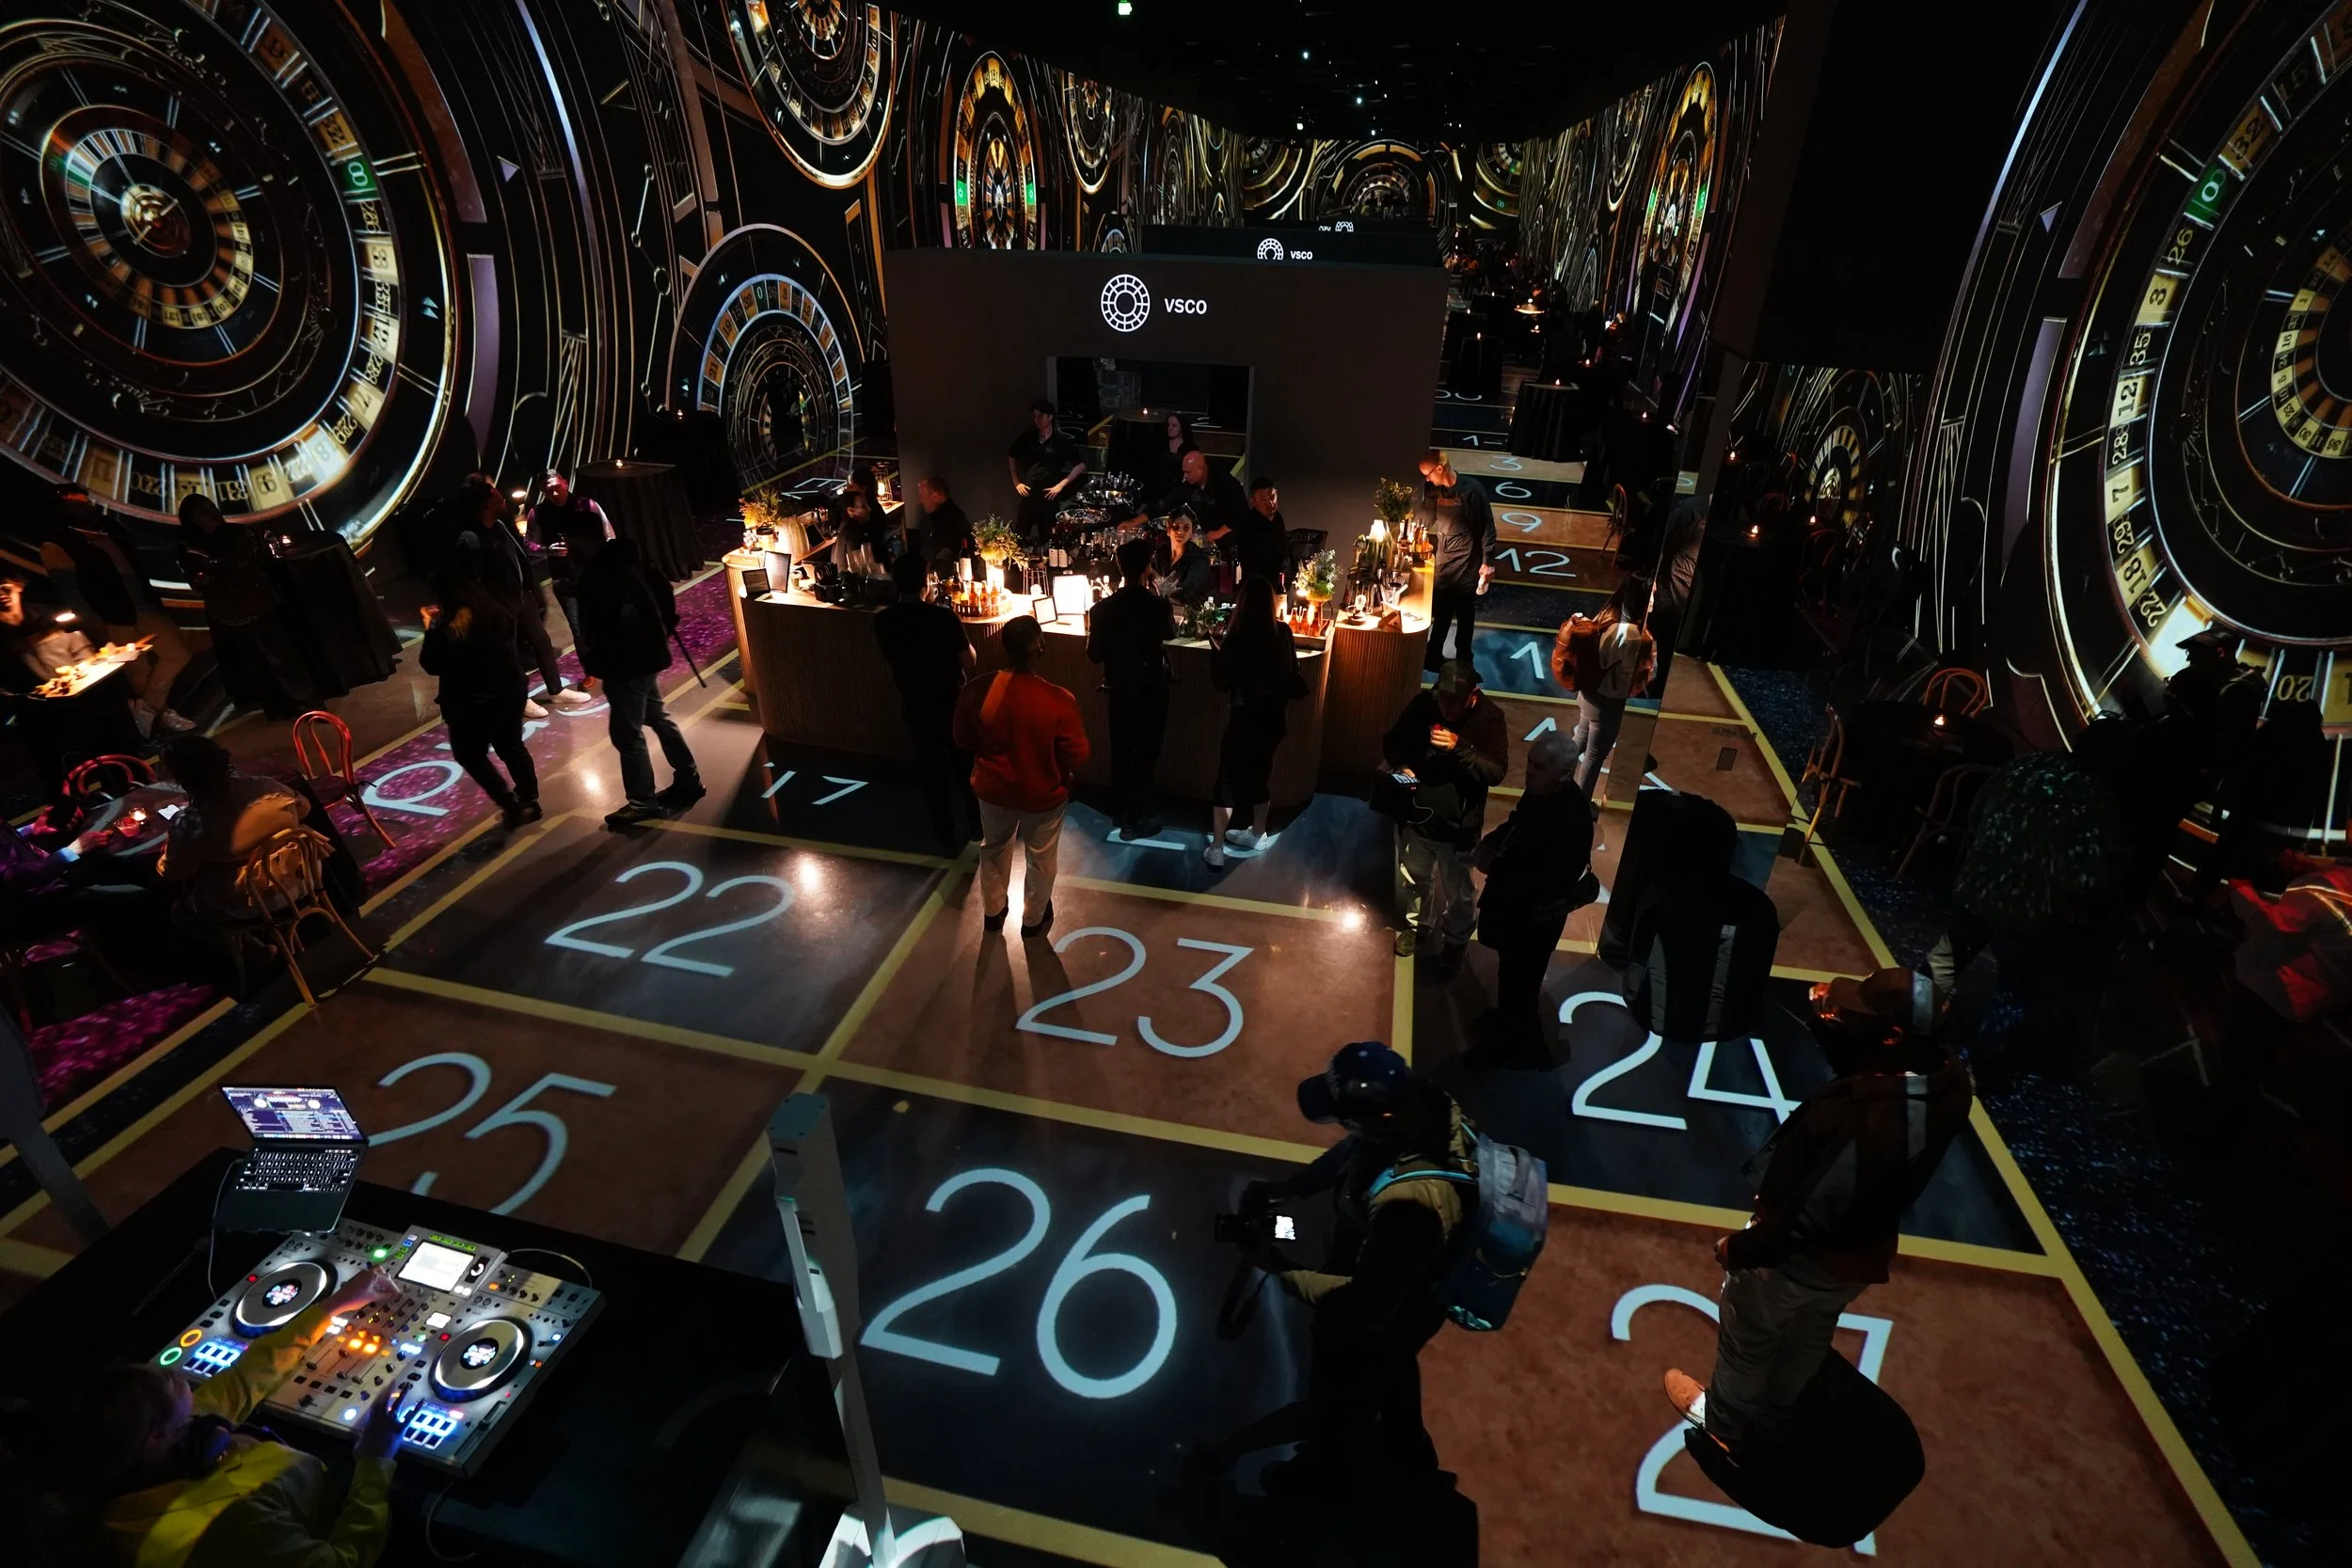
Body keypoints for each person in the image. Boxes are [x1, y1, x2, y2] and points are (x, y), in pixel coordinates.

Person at [1665, 969, 1972, 1455]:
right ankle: (1773, 1422)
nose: (1844, 1019)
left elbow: (1809, 1216)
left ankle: (1723, 1428)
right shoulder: (1952, 1080)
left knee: (1748, 1339)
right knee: (1810, 1333)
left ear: (1893, 1037)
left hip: (1796, 1259)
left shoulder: (1865, 1118)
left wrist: (1742, 1248)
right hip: (1861, 1254)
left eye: (1864, 1016)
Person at [28, 1265, 408, 1567]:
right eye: (164, 1381)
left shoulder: (166, 1439)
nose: (176, 1374)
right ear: (156, 1437)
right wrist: (374, 1464)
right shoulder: (225, 1530)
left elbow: (245, 1378)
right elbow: (345, 1562)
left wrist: (333, 1307)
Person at [1239, 1041, 1476, 1498]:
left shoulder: (1411, 1206)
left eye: (1345, 1118)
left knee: (1342, 1395)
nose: (1342, 1129)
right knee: (1394, 1378)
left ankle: (1325, 1479)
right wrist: (1293, 1187)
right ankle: (1410, 1455)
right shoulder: (1421, 1108)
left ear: (1378, 1120)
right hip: (1400, 1283)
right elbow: (1353, 1152)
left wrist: (1281, 1270)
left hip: (1391, 1306)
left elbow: (1363, 1305)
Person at [953, 615, 1088, 939]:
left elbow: (962, 738)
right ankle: (1033, 920)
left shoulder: (976, 689)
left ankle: (993, 912)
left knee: (994, 848)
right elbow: (1078, 755)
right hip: (1043, 794)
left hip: (993, 790)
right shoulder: (1058, 698)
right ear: (1040, 645)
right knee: (1041, 857)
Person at [1471, 731, 1594, 1058]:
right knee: (1512, 978)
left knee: (1521, 985)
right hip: (1522, 913)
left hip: (1534, 920)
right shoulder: (1544, 794)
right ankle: (1507, 1028)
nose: (1529, 773)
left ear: (1564, 774)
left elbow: (1544, 881)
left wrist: (1494, 865)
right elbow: (1518, 824)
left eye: (1539, 767)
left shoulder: (1569, 819)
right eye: (1530, 763)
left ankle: (1516, 1048)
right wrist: (1492, 843)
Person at [1383, 660, 1508, 976]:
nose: (1446, 708)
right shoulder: (1425, 705)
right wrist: (1402, 769)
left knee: (1460, 893)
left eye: (1455, 702)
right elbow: (1393, 742)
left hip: (1459, 829)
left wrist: (1460, 748)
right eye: (1442, 698)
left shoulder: (1490, 717)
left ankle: (1455, 941)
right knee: (1413, 879)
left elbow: (1496, 772)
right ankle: (1417, 926)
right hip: (1417, 819)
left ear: (1473, 696)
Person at [38, 485, 193, 735]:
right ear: (61, 509)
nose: (86, 505)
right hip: (111, 616)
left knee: (178, 653)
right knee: (137, 670)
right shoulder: (56, 544)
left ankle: (149, 708)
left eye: (85, 500)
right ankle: (161, 716)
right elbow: (71, 592)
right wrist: (95, 624)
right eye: (75, 502)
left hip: (142, 605)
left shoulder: (111, 529)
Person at [577, 537, 703, 829]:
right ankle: (689, 778)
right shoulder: (639, 567)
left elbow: (606, 630)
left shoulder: (604, 578)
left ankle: (642, 802)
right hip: (649, 659)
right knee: (658, 717)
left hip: (627, 667)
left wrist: (599, 662)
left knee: (627, 735)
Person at [419, 563, 540, 831]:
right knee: (511, 746)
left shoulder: (448, 628)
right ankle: (529, 800)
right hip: (509, 690)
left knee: (469, 754)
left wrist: (430, 628)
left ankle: (508, 802)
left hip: (471, 703)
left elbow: (431, 664)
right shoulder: (495, 611)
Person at [450, 477, 581, 716]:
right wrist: (494, 610)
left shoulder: (499, 527)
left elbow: (519, 557)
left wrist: (529, 587)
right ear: (487, 504)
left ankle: (556, 689)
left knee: (542, 642)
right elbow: (471, 585)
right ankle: (520, 699)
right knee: (509, 656)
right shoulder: (469, 540)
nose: (503, 499)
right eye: (497, 497)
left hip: (522, 598)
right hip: (499, 609)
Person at [178, 494, 316, 721]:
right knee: (255, 664)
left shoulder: (239, 533)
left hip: (255, 605)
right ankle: (277, 708)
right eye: (199, 515)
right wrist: (200, 577)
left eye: (206, 511)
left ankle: (308, 705)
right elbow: (195, 578)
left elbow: (244, 565)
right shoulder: (189, 546)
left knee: (282, 659)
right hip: (226, 611)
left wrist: (212, 563)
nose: (205, 518)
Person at [874, 552, 977, 852]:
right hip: (951, 703)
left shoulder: (884, 621)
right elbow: (969, 661)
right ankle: (976, 824)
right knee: (964, 766)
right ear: (925, 583)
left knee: (932, 772)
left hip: (915, 704)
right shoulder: (943, 617)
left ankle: (944, 834)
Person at [1204, 577, 1306, 870]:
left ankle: (1217, 847)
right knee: (1261, 774)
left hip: (1244, 717)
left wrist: (1216, 649)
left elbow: (1222, 683)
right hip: (1275, 718)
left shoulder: (1237, 637)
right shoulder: (1283, 632)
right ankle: (1258, 833)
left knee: (1227, 779)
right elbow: (1292, 669)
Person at [155, 734, 307, 923]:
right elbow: (304, 807)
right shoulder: (266, 786)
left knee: (182, 913)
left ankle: (256, 948)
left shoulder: (192, 822)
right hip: (303, 874)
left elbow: (174, 872)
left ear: (181, 778)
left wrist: (165, 853)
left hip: (253, 897)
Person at [1086, 537, 1175, 839]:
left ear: (1119, 566)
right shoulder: (1157, 606)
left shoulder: (1101, 609)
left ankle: (1120, 808)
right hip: (1152, 688)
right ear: (1148, 567)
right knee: (1146, 752)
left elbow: (1094, 654)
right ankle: (1136, 816)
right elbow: (1171, 634)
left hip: (1119, 689)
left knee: (1122, 749)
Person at [1551, 575, 1656, 800]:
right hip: (1607, 701)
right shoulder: (1635, 637)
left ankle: (1553, 781)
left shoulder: (1606, 615)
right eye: (1650, 597)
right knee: (1595, 755)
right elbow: (1641, 675)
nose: (1653, 602)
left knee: (1580, 740)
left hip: (1587, 694)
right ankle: (1580, 803)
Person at [528, 469, 615, 680]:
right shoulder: (537, 513)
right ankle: (591, 671)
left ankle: (614, 658)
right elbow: (528, 545)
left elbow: (609, 535)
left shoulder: (587, 506)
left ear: (565, 483)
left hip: (595, 575)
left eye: (557, 488)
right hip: (565, 579)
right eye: (548, 491)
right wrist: (547, 550)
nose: (554, 494)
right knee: (578, 629)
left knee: (605, 619)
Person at [1415, 451, 1496, 672]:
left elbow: (1487, 527)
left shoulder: (1473, 490)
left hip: (1468, 562)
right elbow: (1422, 520)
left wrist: (1488, 561)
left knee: (1465, 616)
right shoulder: (1434, 493)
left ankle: (1464, 662)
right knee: (1441, 614)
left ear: (1440, 469)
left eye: (1428, 474)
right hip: (1444, 563)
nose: (1427, 479)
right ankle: (1432, 657)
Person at [1006, 399, 1086, 545]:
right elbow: (1012, 455)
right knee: (1020, 536)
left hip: (1049, 496)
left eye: (1040, 416)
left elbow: (1080, 466)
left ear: (1050, 417)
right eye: (1035, 416)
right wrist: (1016, 482)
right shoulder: (1028, 437)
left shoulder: (1060, 441)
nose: (1037, 420)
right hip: (1029, 494)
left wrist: (1061, 485)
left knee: (1049, 538)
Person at [1155, 449, 1248, 542]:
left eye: (1188, 472)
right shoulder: (1189, 485)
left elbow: (1241, 514)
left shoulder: (1226, 483)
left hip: (1232, 540)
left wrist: (1219, 532)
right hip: (1207, 537)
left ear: (1199, 469)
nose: (1185, 476)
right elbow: (1167, 502)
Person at [1225, 476, 1294, 587]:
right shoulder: (1248, 525)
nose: (1270, 503)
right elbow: (1251, 562)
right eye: (1263, 500)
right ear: (1253, 502)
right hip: (1258, 584)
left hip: (1280, 581)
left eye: (1272, 497)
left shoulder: (1278, 518)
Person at [1153, 512, 1215, 608]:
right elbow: (1152, 575)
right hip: (1164, 607)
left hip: (1191, 611)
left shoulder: (1199, 559)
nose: (1180, 532)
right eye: (1175, 527)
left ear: (1192, 533)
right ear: (1168, 531)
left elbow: (1186, 592)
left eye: (1186, 528)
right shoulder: (1162, 551)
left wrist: (1167, 591)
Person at [916, 474, 974, 570]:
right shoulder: (948, 515)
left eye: (922, 497)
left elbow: (943, 556)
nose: (920, 501)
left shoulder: (947, 520)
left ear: (935, 496)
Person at [1154, 411, 1200, 495]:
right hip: (1159, 489)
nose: (1170, 428)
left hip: (1180, 491)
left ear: (1182, 428)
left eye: (1174, 426)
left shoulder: (1190, 448)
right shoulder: (1161, 444)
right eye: (1168, 425)